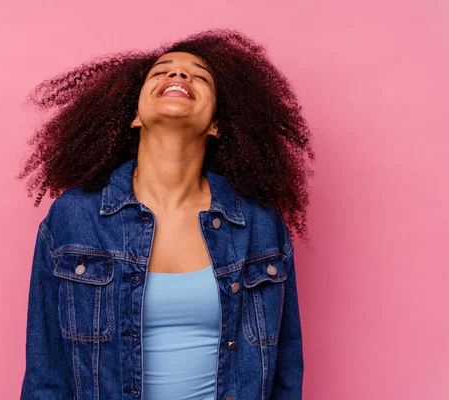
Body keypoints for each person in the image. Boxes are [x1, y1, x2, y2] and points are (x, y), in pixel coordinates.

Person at [17, 28, 315, 400]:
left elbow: (286, 371)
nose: (177, 75)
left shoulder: (258, 223)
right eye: (161, 72)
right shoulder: (74, 217)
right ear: (134, 117)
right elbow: (47, 375)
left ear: (217, 124)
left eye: (199, 76)